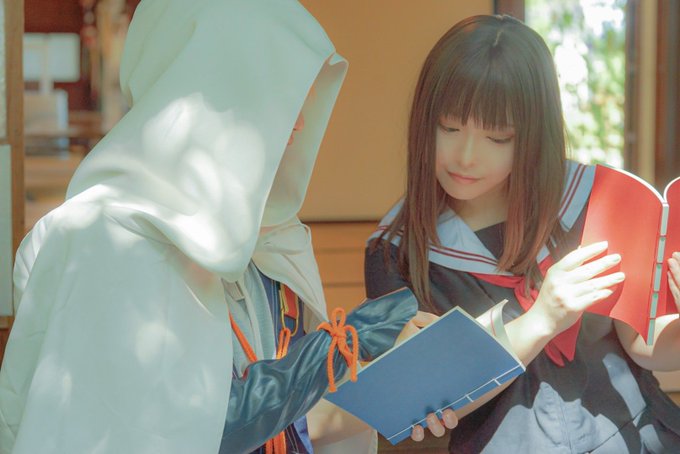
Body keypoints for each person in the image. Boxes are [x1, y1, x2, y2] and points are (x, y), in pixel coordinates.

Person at [0, 1, 418, 453]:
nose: (298, 122)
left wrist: (399, 384)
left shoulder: (268, 240)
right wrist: (339, 347)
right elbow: (177, 432)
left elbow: (292, 423)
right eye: (278, 96)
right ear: (212, 90)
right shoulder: (104, 242)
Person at [365, 14, 680, 453]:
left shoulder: (595, 200)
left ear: (534, 135)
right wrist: (541, 320)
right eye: (449, 127)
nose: (466, 156)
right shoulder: (397, 252)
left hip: (635, 437)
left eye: (497, 137)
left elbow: (644, 346)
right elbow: (417, 397)